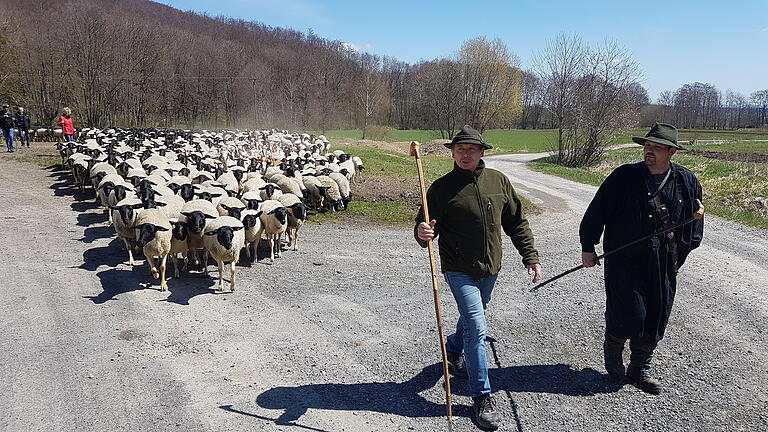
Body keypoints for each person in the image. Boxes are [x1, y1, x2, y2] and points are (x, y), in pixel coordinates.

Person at [415, 125, 541, 430]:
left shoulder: (498, 182)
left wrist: (530, 257)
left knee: (473, 319)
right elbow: (424, 226)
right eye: (460, 150)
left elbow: (517, 222)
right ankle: (482, 396)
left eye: (471, 149)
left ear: (482, 151)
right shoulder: (441, 189)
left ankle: (454, 348)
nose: (465, 154)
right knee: (476, 325)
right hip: (458, 268)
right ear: (453, 153)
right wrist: (422, 233)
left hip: (491, 268)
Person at [579, 122, 704, 395]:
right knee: (629, 313)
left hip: (664, 263)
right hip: (624, 259)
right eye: (648, 146)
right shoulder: (623, 177)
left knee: (656, 316)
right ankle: (613, 356)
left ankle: (639, 369)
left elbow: (695, 224)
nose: (650, 151)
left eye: (657, 147)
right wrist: (588, 245)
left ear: (671, 151)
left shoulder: (687, 181)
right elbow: (597, 211)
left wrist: (680, 254)